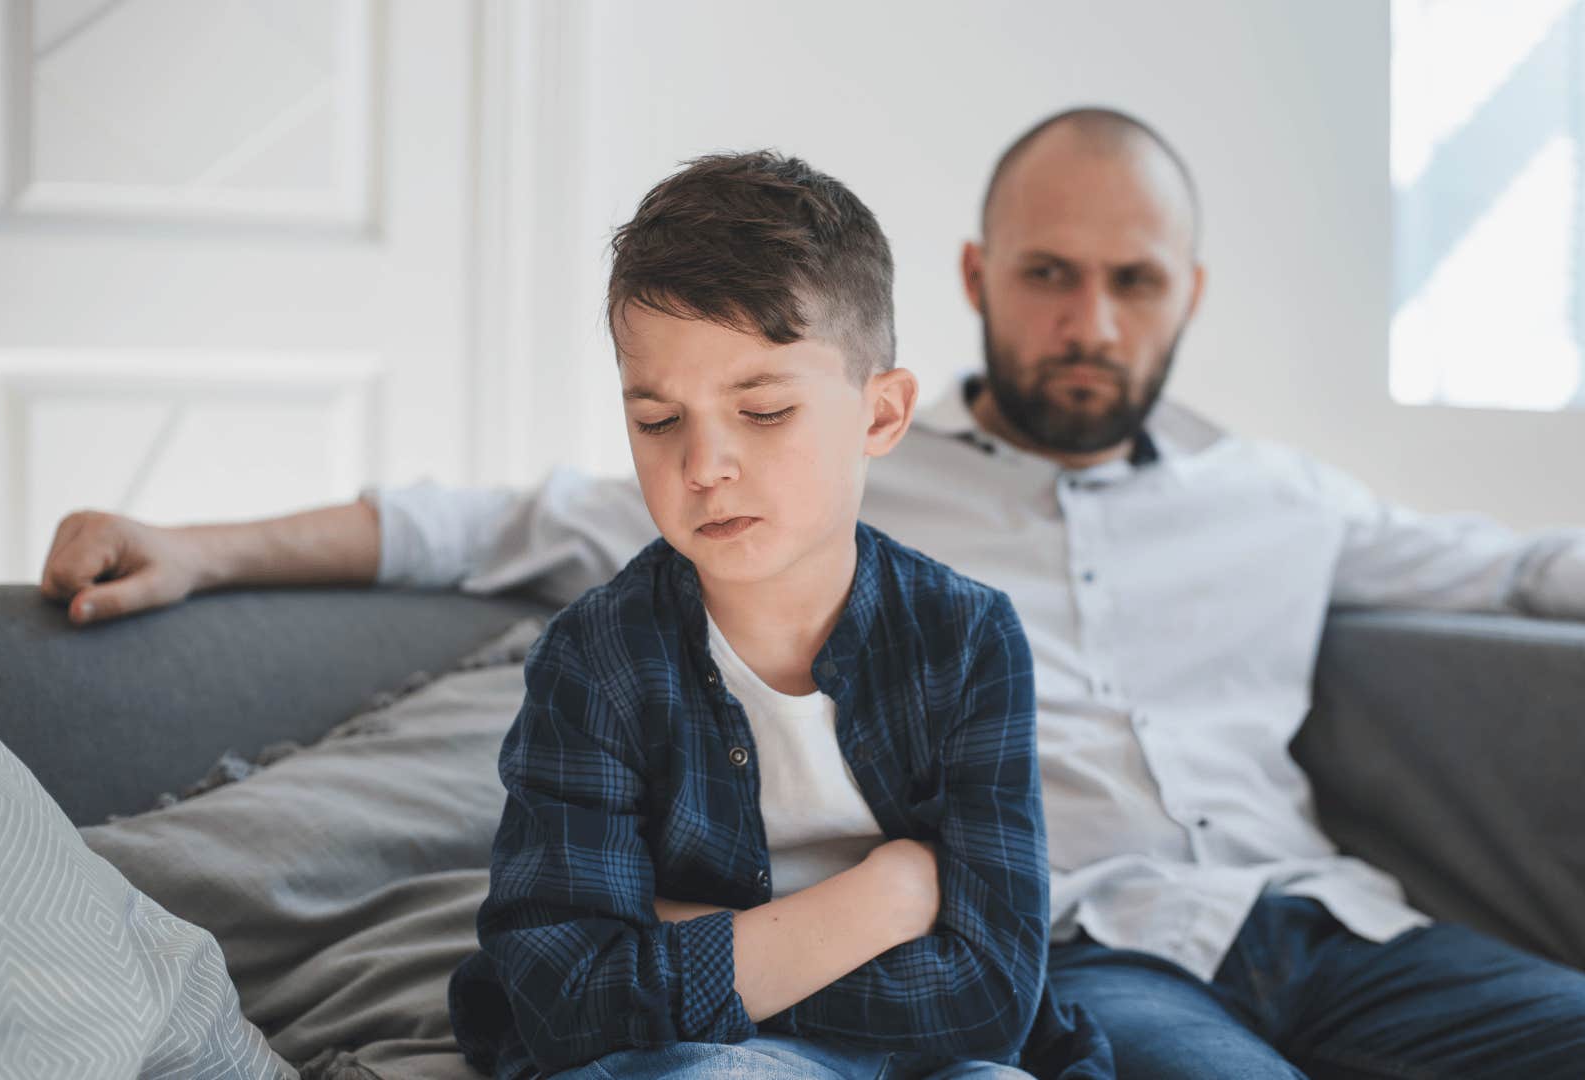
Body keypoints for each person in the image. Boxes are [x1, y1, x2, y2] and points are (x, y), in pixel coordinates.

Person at [40, 109, 1585, 1078]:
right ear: (982, 284)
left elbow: (1522, 564)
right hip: (1096, 943)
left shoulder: (1275, 496)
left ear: (1187, 297)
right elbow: (489, 519)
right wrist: (205, 546)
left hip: (1327, 921)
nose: (1089, 321)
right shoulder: (810, 466)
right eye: (1051, 276)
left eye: (1131, 283)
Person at [451, 150, 1102, 1079]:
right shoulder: (591, 660)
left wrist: (696, 942)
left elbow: (992, 999)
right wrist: (880, 903)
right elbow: (563, 997)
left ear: (881, 416)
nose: (704, 464)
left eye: (761, 411)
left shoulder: (967, 640)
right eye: (658, 420)